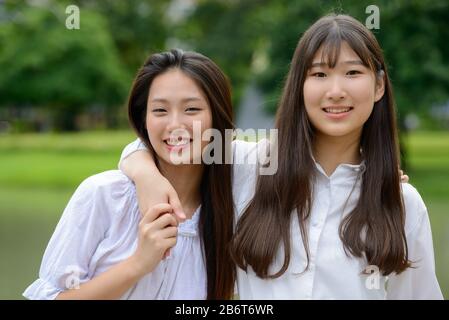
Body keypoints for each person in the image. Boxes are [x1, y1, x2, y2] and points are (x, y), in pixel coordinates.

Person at [119, 14, 442, 299]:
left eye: (352, 72)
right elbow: (168, 143)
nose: (336, 90)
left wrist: (382, 179)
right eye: (319, 75)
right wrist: (146, 175)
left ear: (379, 86)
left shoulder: (403, 203)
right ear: (299, 86)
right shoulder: (249, 166)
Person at [23, 49, 236, 300]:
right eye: (159, 110)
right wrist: (138, 264)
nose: (175, 124)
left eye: (191, 109)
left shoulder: (234, 203)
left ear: (217, 118)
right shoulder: (103, 195)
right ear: (143, 119)